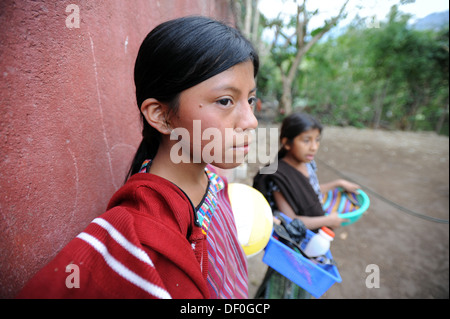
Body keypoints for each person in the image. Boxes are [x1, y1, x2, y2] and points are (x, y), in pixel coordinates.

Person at [17, 16, 259, 299]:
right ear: (161, 115)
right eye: (225, 101)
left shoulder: (216, 185)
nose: (251, 121)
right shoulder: (134, 237)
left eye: (250, 100)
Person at [253, 112, 360, 298]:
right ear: (287, 143)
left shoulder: (308, 164)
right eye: (306, 140)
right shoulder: (280, 176)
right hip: (294, 247)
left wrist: (338, 184)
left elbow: (312, 190)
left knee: (304, 286)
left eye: (317, 140)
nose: (314, 147)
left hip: (313, 241)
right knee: (284, 287)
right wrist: (329, 219)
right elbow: (291, 221)